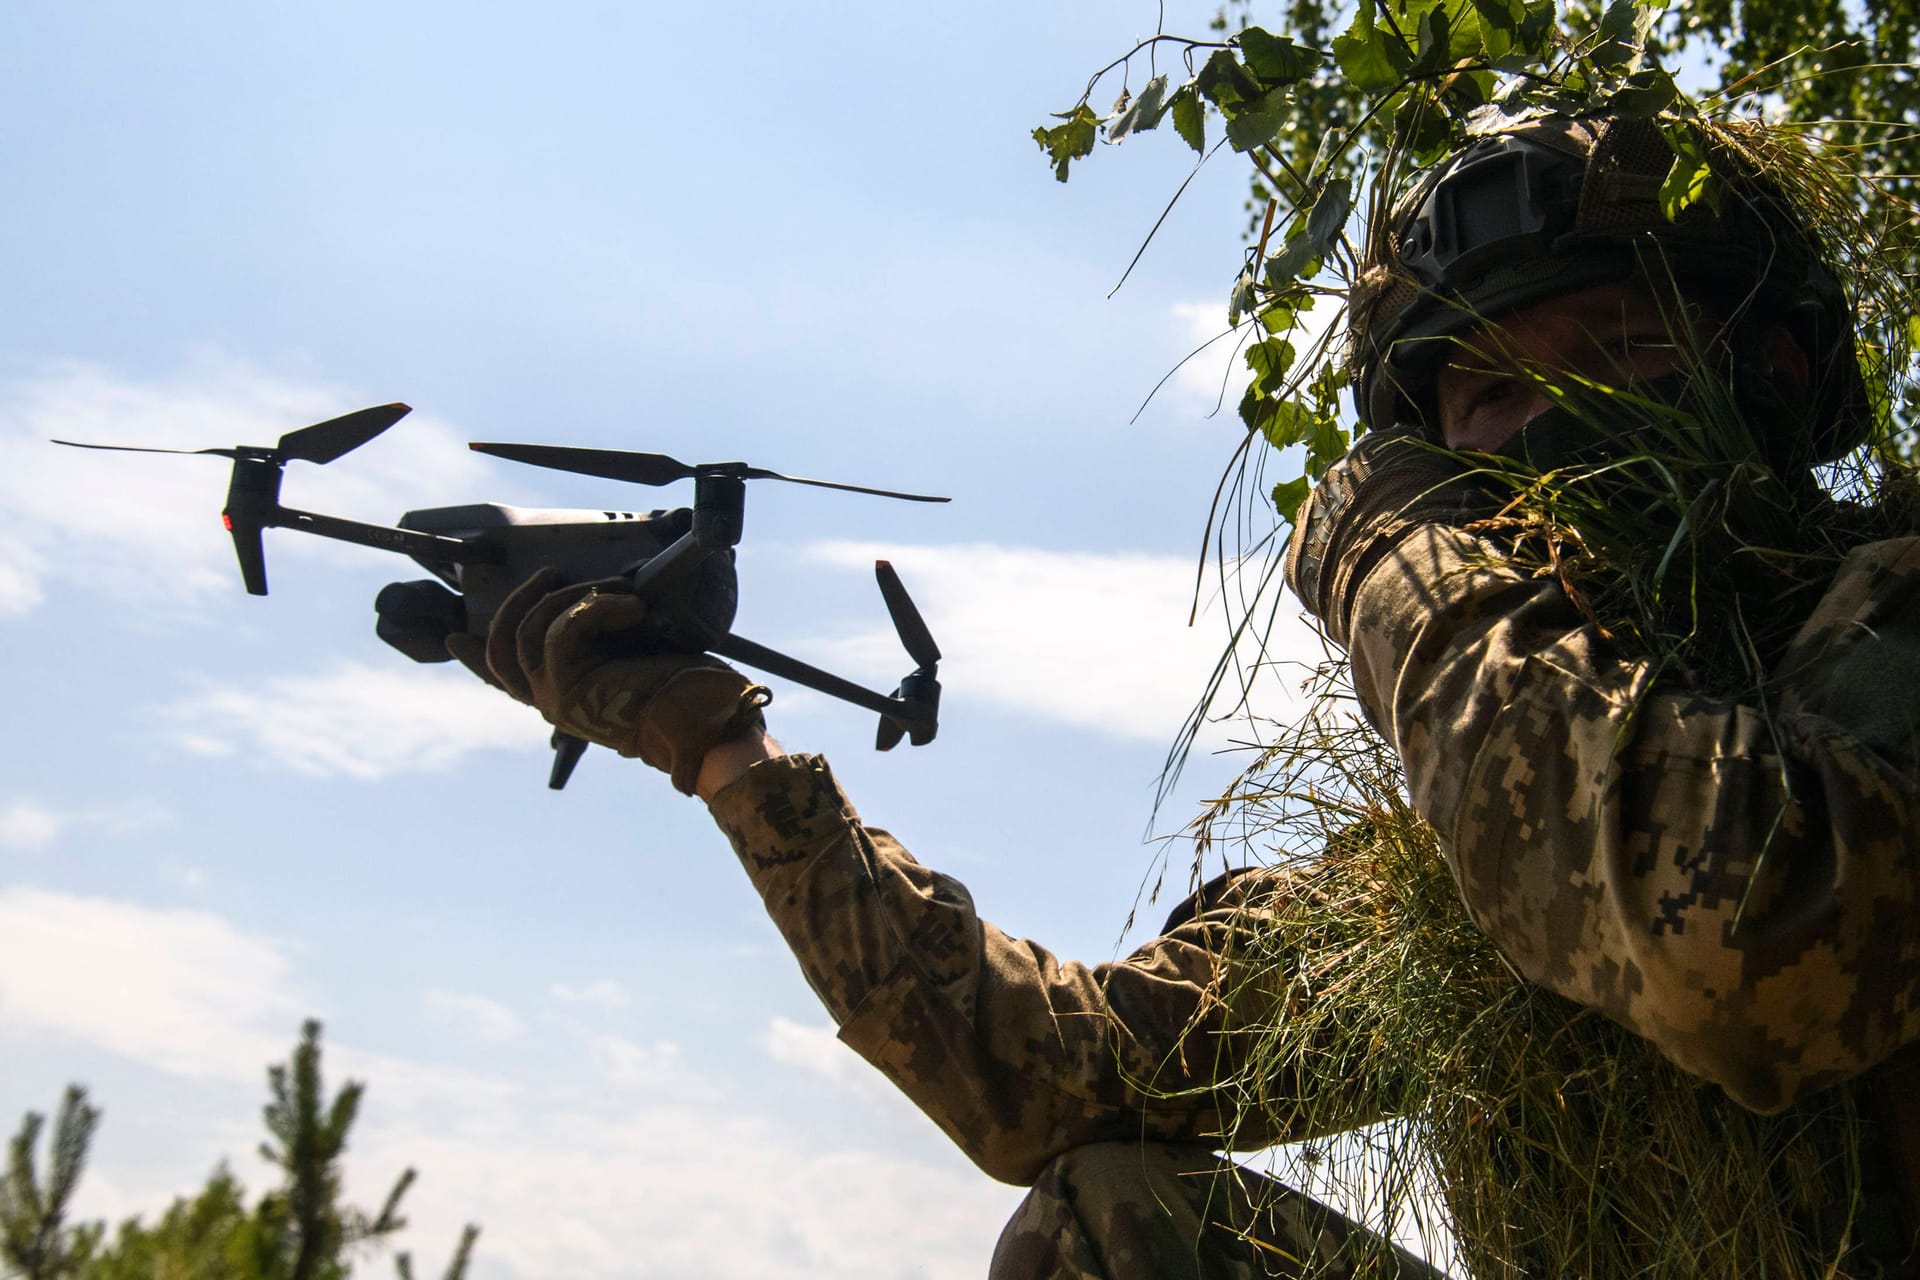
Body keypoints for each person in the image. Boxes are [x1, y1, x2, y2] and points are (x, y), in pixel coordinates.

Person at [449, 111, 1920, 1276]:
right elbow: (1043, 1080)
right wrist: (720, 747)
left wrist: (1392, 549)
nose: (1551, 433)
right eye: (1484, 401)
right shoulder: (1459, 858)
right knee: (1113, 1222)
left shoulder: (1888, 614)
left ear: (1776, 372)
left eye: (1621, 354)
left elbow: (1732, 944)